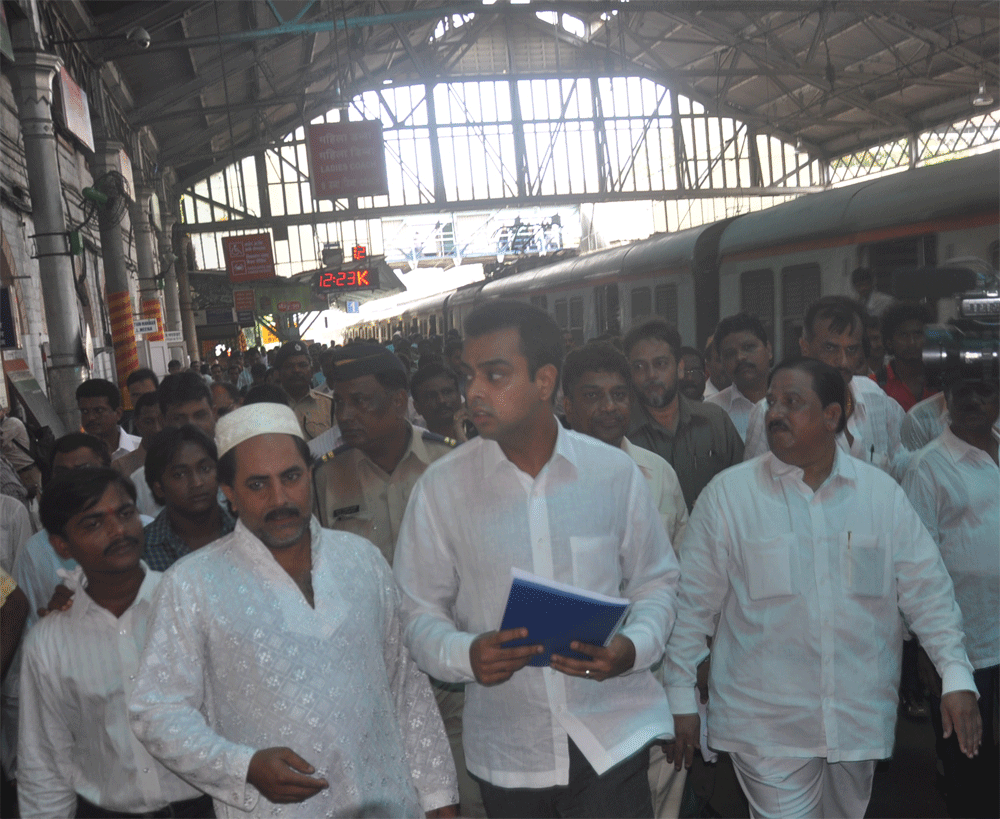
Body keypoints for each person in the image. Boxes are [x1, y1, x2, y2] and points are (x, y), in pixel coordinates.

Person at [394, 301, 680, 819]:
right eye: (469, 375)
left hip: (610, 735)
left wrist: (631, 648)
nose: (473, 391)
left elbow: (656, 584)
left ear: (544, 380)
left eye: (495, 374)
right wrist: (466, 654)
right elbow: (417, 614)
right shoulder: (441, 490)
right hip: (511, 754)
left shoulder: (612, 474)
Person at [664, 357, 980, 819]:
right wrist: (680, 695)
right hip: (765, 721)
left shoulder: (880, 496)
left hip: (858, 714)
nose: (775, 413)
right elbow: (692, 605)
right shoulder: (729, 497)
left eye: (793, 402)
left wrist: (956, 675)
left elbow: (926, 591)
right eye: (773, 402)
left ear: (833, 415)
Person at [128, 403, 459, 818]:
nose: (280, 498)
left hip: (389, 804)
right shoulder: (192, 584)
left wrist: (438, 799)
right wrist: (242, 766)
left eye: (291, 477)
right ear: (228, 492)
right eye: (257, 484)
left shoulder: (362, 560)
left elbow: (407, 691)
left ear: (310, 475)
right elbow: (156, 710)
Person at [18, 469, 213, 819]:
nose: (118, 531)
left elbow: (10, 601)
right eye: (93, 523)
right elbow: (44, 768)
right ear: (62, 545)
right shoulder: (49, 644)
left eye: (125, 514)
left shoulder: (192, 605)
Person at [902, 371, 999, 819]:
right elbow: (914, 562)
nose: (973, 399)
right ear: (947, 397)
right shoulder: (928, 466)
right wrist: (924, 644)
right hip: (965, 644)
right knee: (969, 764)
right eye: (963, 389)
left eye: (985, 389)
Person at [314, 345, 456, 568]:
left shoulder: (448, 463)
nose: (343, 415)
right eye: (339, 402)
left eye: (359, 401)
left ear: (399, 401)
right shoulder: (326, 476)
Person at [743, 296, 905, 478]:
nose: (842, 361)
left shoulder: (875, 397)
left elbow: (900, 465)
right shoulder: (770, 413)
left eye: (852, 350)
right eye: (830, 348)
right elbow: (753, 488)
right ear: (805, 347)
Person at [562, 342, 687, 546]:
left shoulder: (659, 473)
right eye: (592, 396)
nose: (610, 406)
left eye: (619, 395)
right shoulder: (543, 478)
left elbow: (682, 561)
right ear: (568, 406)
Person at [625, 318, 743, 511]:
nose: (651, 374)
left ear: (679, 368)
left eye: (661, 364)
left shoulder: (715, 422)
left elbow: (742, 491)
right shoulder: (623, 434)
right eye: (639, 367)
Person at [142, 425, 236, 572]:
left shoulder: (246, 531)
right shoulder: (143, 550)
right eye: (179, 474)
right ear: (159, 488)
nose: (197, 483)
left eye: (205, 469)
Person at [130, 371, 218, 517]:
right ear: (163, 420)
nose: (191, 426)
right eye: (179, 418)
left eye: (200, 415)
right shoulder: (141, 484)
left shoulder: (239, 464)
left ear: (214, 414)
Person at [706, 313, 773, 441]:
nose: (740, 357)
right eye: (730, 354)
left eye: (749, 347)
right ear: (722, 362)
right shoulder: (712, 411)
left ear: (768, 350)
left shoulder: (795, 401)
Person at [880, 301, 936, 412]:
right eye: (904, 335)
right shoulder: (877, 383)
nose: (912, 343)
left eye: (918, 334)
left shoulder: (941, 380)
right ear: (889, 342)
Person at [274, 340, 333, 441]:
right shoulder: (268, 407)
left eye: (302, 365)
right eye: (289, 366)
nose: (297, 370)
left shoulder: (329, 405)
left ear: (311, 370)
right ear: (279, 373)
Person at [76, 379, 141, 460]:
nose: (91, 417)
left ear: (118, 413)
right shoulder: (74, 456)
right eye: (85, 411)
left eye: (98, 410)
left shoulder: (142, 449)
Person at [411, 363, 470, 442]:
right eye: (431, 396)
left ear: (459, 396)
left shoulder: (484, 434)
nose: (441, 400)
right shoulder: (416, 447)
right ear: (417, 407)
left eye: (447, 392)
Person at [111, 391, 162, 479]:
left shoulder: (181, 459)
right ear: (137, 423)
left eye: (161, 420)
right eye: (148, 422)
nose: (157, 428)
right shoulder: (120, 467)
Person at [0, 406, 42, 499]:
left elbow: (1, 440)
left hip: (27, 470)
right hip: (18, 471)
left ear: (3, 411)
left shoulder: (11, 423)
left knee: (35, 504)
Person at [124, 368, 159, 435]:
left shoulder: (170, 425)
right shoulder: (124, 431)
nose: (142, 399)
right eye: (136, 395)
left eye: (147, 394)